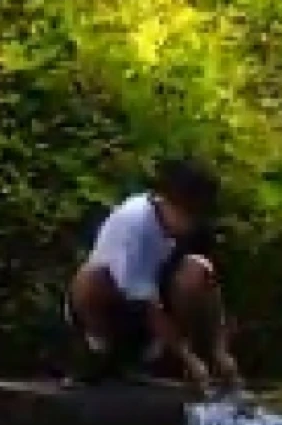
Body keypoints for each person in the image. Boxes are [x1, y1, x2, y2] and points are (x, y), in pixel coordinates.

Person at [64, 159, 242, 393]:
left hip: (158, 309)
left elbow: (209, 288)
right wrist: (187, 358)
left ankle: (188, 360)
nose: (190, 224)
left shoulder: (193, 230)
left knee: (196, 271)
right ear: (165, 201)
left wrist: (219, 350)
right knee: (92, 279)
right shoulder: (134, 223)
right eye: (185, 214)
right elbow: (147, 305)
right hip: (120, 307)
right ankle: (99, 351)